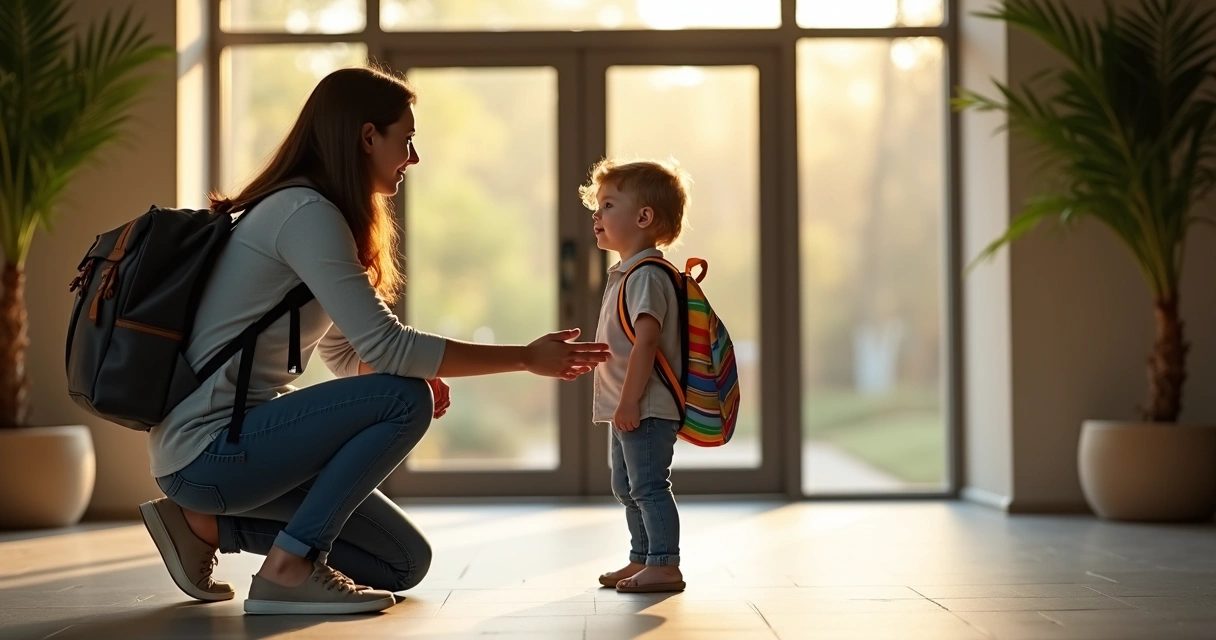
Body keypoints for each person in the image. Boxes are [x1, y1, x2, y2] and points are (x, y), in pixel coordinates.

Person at [138, 66, 609, 616]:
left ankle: (203, 526)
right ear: (367, 137)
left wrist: (404, 375)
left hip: (236, 448)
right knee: (403, 397)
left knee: (402, 563)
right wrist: (526, 358)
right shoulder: (304, 213)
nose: (413, 157)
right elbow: (389, 347)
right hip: (209, 449)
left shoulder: (317, 213)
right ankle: (288, 570)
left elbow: (343, 351)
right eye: (405, 139)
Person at [581, 158, 691, 594]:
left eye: (607, 205)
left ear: (643, 217)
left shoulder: (647, 275)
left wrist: (628, 401)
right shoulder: (628, 273)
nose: (597, 215)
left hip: (644, 405)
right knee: (626, 486)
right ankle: (642, 557)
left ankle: (665, 564)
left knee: (647, 486)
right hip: (629, 405)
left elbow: (646, 343)